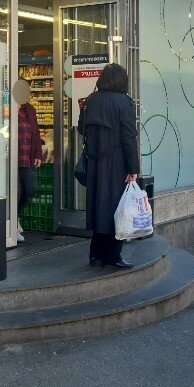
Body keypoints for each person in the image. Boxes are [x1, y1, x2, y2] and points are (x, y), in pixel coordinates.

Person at [77, 63, 140, 268]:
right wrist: (133, 169)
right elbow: (129, 137)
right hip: (117, 163)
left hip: (95, 162)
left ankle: (95, 254)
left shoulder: (91, 100)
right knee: (116, 208)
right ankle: (112, 256)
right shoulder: (123, 102)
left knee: (99, 206)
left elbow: (81, 129)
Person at [15, 80, 44, 244]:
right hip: (11, 159)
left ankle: (15, 215)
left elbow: (36, 131)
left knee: (30, 189)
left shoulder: (30, 110)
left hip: (26, 157)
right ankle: (12, 225)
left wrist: (38, 154)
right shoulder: (9, 109)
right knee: (15, 192)